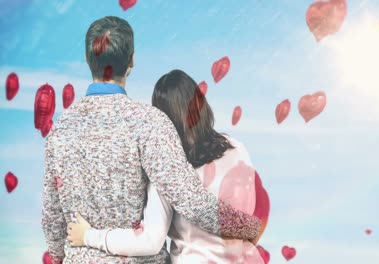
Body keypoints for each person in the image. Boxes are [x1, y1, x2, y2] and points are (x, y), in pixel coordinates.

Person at [41, 16, 261, 264]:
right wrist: (250, 227)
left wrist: (59, 256)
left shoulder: (59, 130)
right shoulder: (149, 123)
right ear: (132, 61)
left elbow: (52, 215)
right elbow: (191, 202)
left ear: (87, 59)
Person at [67, 70, 265, 263]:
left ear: (162, 120)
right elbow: (256, 209)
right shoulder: (237, 147)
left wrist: (88, 236)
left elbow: (150, 241)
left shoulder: (168, 169)